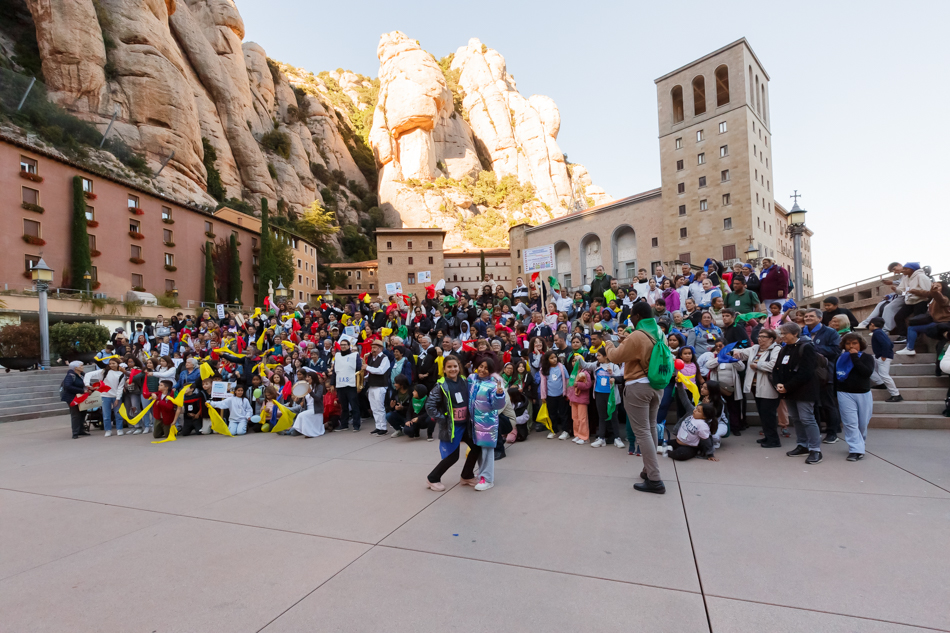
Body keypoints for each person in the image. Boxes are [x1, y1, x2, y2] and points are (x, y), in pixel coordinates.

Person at [605, 301, 666, 494]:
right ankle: (649, 470)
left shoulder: (637, 335)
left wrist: (608, 343)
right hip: (656, 386)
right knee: (650, 428)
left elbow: (615, 357)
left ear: (638, 316)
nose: (629, 317)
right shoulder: (658, 332)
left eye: (631, 314)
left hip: (638, 387)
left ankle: (655, 479)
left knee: (643, 433)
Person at [425, 356, 480, 491]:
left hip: (465, 425)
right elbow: (430, 405)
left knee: (477, 447)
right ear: (444, 369)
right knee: (452, 457)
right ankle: (432, 478)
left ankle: (466, 475)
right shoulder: (441, 385)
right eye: (449, 367)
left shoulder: (464, 381)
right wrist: (443, 419)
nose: (452, 369)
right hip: (452, 427)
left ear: (459, 367)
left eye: (455, 366)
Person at [772, 323, 823, 464]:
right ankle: (802, 445)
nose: (782, 337)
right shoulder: (784, 349)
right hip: (789, 390)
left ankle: (815, 449)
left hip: (804, 390)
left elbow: (806, 372)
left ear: (795, 334)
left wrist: (787, 386)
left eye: (785, 334)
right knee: (796, 418)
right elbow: (776, 369)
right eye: (781, 334)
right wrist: (778, 384)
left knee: (807, 418)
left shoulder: (806, 347)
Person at [733, 329, 782, 447]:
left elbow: (773, 366)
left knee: (768, 414)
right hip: (755, 387)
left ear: (771, 339)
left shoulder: (777, 349)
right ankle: (767, 436)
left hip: (769, 387)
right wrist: (735, 351)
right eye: (759, 336)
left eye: (763, 337)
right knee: (762, 413)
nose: (760, 339)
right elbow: (742, 352)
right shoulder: (755, 348)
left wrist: (757, 365)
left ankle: (774, 440)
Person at [835, 333, 875, 462]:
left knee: (862, 423)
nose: (851, 346)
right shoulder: (840, 358)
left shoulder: (867, 358)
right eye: (848, 344)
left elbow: (866, 372)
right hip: (844, 393)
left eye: (854, 343)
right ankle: (855, 449)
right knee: (850, 423)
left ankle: (860, 444)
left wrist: (854, 357)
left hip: (863, 393)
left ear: (860, 344)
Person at [469, 358, 507, 491]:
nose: (482, 370)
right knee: (479, 450)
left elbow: (498, 405)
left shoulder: (493, 385)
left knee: (486, 451)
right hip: (474, 423)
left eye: (486, 368)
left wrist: (499, 394)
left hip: (487, 424)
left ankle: (488, 479)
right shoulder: (472, 380)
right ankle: (482, 475)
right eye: (481, 366)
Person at [896, 281, 950, 356]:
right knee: (912, 327)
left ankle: (909, 348)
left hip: (942, 324)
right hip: (935, 322)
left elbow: (939, 297)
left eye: (938, 286)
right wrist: (914, 291)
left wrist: (935, 291)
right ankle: (909, 348)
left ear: (943, 288)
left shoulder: (944, 299)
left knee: (913, 328)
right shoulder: (933, 297)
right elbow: (925, 293)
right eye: (933, 285)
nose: (935, 287)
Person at [84, 358, 127, 436]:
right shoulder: (104, 372)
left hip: (115, 396)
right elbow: (88, 374)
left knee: (118, 414)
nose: (112, 365)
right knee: (106, 415)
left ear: (118, 364)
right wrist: (87, 384)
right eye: (110, 364)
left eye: (113, 363)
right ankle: (108, 430)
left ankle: (119, 429)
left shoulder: (121, 374)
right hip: (105, 396)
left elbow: (120, 387)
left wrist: (117, 398)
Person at [539, 350, 572, 440]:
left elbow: (567, 379)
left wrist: (568, 393)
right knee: (552, 414)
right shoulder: (543, 369)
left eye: (555, 357)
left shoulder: (561, 367)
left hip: (561, 394)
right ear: (547, 360)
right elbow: (543, 383)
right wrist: (543, 396)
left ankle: (565, 431)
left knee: (563, 413)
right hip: (550, 395)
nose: (554, 359)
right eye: (551, 358)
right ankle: (554, 431)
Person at [868, 317, 901, 402]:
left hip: (883, 357)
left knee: (884, 375)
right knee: (869, 367)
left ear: (872, 324)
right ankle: (880, 383)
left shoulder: (877, 333)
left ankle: (896, 394)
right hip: (880, 356)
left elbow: (886, 344)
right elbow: (890, 344)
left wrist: (884, 355)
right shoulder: (880, 332)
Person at [333, 337, 362, 432]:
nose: (343, 346)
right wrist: (332, 383)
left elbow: (358, 368)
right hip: (340, 384)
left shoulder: (354, 355)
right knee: (344, 406)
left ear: (349, 346)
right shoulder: (337, 356)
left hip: (351, 384)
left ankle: (356, 425)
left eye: (345, 345)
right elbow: (334, 371)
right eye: (341, 345)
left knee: (354, 405)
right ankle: (344, 424)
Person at [363, 339, 392, 435]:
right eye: (372, 347)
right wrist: (365, 377)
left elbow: (381, 371)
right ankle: (378, 426)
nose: (373, 349)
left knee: (380, 407)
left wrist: (367, 367)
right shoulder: (372, 358)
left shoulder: (384, 358)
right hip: (372, 386)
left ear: (380, 348)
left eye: (375, 347)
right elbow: (372, 372)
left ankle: (383, 427)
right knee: (374, 408)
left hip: (380, 386)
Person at [61, 361, 89, 439]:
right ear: (76, 367)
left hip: (81, 397)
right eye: (81, 365)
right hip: (72, 397)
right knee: (75, 415)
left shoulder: (83, 375)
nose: (82, 367)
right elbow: (68, 386)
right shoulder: (70, 375)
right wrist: (82, 391)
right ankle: (75, 432)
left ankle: (81, 430)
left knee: (83, 412)